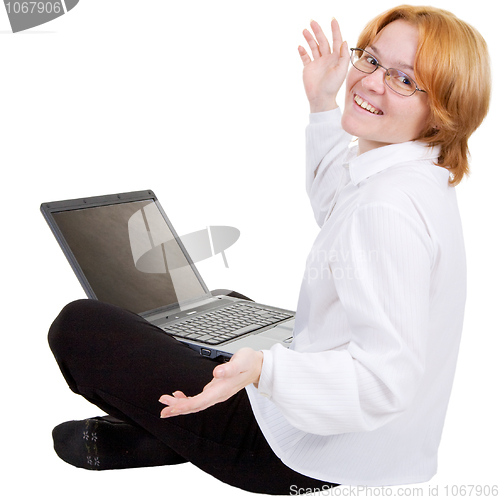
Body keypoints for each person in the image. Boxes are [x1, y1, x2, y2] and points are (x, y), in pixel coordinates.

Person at [48, 5, 491, 494]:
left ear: (443, 108)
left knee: (79, 326)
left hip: (300, 453)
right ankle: (176, 432)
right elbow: (339, 207)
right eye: (371, 60)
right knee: (228, 303)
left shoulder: (386, 208)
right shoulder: (412, 175)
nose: (369, 82)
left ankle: (173, 438)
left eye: (404, 80)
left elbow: (386, 382)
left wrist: (264, 368)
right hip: (379, 446)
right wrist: (322, 101)